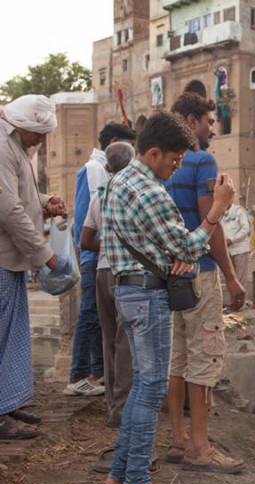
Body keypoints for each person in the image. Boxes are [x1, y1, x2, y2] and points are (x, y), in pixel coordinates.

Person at [101, 111, 236, 484]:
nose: (177, 169)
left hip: (129, 290)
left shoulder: (119, 180)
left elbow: (169, 247)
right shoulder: (149, 191)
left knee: (145, 383)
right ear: (154, 153)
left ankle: (119, 472)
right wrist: (217, 211)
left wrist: (177, 254)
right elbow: (189, 247)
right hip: (146, 296)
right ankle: (137, 482)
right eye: (174, 161)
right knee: (152, 385)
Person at [163, 92, 245, 474]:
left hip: (169, 273)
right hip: (201, 270)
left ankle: (179, 440)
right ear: (193, 121)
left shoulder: (162, 163)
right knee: (205, 356)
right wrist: (231, 277)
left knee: (177, 358)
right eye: (210, 122)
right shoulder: (201, 160)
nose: (213, 130)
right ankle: (201, 446)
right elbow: (208, 221)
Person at [0, 95, 69, 440]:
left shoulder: (15, 146)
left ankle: (6, 405)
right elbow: (8, 209)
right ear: (22, 125)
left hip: (9, 261)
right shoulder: (1, 146)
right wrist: (45, 255)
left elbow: (22, 196)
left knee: (12, 335)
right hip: (2, 257)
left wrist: (45, 202)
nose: (41, 141)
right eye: (38, 134)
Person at [66, 122, 136, 397]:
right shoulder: (95, 169)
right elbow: (87, 222)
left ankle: (97, 373)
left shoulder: (98, 169)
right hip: (96, 255)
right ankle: (78, 375)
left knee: (100, 319)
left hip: (100, 254)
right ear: (117, 142)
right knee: (91, 315)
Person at [80, 141, 135, 427]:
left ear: (107, 167)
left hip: (102, 271)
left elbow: (85, 241)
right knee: (126, 343)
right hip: (125, 272)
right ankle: (122, 411)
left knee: (109, 340)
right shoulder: (134, 192)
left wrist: (107, 243)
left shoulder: (99, 196)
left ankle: (112, 405)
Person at [220, 196, 253, 305]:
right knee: (230, 277)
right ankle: (233, 303)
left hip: (240, 248)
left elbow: (245, 228)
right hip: (226, 249)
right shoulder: (219, 212)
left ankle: (241, 304)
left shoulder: (239, 211)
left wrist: (232, 239)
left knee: (241, 277)